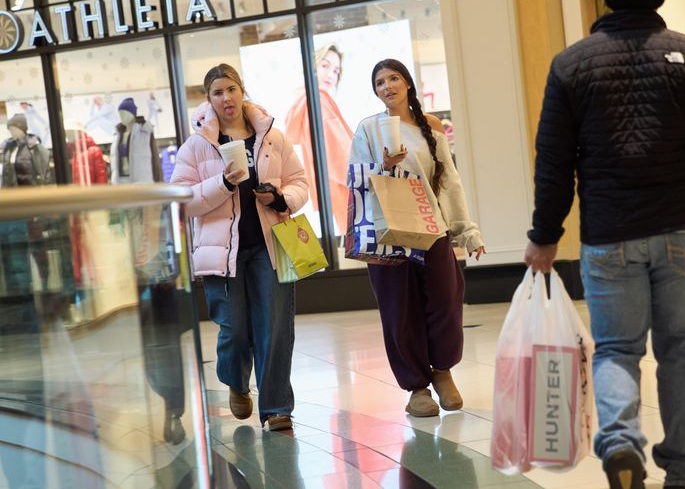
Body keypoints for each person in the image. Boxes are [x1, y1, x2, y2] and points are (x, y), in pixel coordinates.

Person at [523, 0, 685, 488]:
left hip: (609, 233)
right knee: (680, 351)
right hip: (682, 228)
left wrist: (545, 233)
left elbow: (554, 162)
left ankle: (622, 445)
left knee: (618, 349)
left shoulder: (571, 64)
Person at [171, 63, 309, 432]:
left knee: (275, 328)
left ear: (241, 90)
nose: (226, 97)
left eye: (231, 89)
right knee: (234, 330)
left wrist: (281, 199)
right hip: (221, 254)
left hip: (270, 246)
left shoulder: (271, 137)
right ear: (209, 100)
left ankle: (277, 407)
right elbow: (184, 202)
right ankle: (235, 380)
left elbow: (299, 182)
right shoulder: (196, 146)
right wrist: (222, 183)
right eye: (218, 92)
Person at [349, 59, 485, 418]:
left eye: (393, 78)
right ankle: (417, 387)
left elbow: (448, 182)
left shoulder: (432, 127)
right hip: (385, 232)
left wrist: (466, 231)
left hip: (430, 227)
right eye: (379, 82)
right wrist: (386, 166)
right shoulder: (368, 129)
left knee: (446, 298)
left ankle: (442, 371)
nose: (387, 86)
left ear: (407, 84)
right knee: (399, 311)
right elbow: (357, 180)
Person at [284, 44, 353, 235]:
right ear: (311, 66)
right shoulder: (319, 101)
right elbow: (340, 152)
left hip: (331, 192)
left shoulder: (304, 103)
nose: (331, 74)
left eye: (336, 70)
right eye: (325, 66)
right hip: (345, 189)